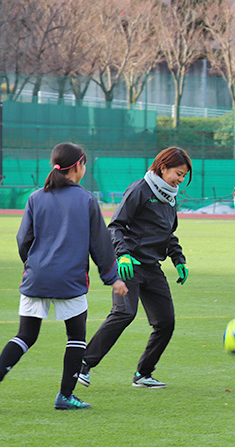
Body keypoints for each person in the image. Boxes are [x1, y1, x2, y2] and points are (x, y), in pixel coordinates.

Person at [0, 143, 128, 412]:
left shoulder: (36, 197)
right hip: (70, 280)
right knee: (76, 337)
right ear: (79, 165)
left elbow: (24, 239)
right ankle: (65, 396)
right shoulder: (86, 199)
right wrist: (112, 277)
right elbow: (101, 244)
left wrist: (33, 265)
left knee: (25, 335)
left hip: (37, 277)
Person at [78, 147, 192, 389]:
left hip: (152, 268)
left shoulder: (169, 198)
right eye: (178, 174)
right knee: (124, 313)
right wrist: (123, 255)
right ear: (163, 167)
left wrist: (178, 259)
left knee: (166, 322)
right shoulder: (140, 189)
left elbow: (169, 234)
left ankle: (144, 374)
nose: (180, 180)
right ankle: (83, 365)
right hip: (129, 266)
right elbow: (115, 226)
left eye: (184, 176)